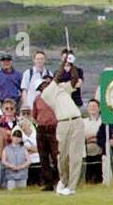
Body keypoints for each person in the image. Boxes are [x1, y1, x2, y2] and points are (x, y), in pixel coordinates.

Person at [40, 63, 85, 195]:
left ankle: (71, 187)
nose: (46, 83)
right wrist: (64, 61)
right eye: (44, 82)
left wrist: (72, 65)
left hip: (77, 120)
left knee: (75, 156)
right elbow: (58, 76)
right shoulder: (46, 94)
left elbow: (75, 80)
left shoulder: (63, 88)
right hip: (63, 124)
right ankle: (64, 181)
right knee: (63, 157)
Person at [31, 77, 60, 190]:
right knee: (43, 157)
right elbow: (34, 116)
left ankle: (58, 180)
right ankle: (48, 182)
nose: (45, 87)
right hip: (42, 128)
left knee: (55, 155)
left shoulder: (55, 97)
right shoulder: (37, 99)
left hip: (54, 127)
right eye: (42, 85)